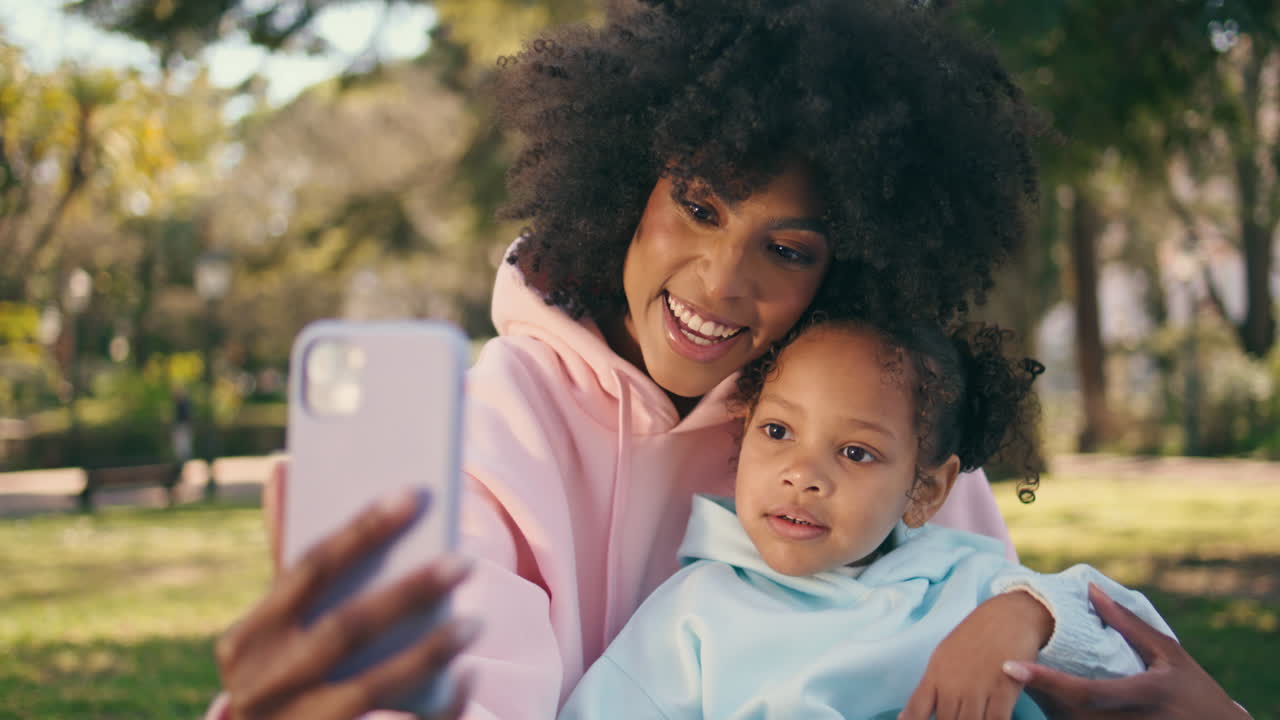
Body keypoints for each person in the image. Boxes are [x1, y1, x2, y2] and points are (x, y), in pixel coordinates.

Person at [208, 1, 1248, 718]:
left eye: (787, 248)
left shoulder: (886, 418)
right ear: (624, 181)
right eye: (696, 207)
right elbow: (455, 681)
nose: (717, 280)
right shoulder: (496, 428)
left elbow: (1024, 642)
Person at [556, 314, 1171, 719]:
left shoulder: (971, 585)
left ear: (925, 491)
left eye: (855, 452)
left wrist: (1028, 616)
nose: (803, 474)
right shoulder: (694, 613)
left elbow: (1142, 656)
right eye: (778, 432)